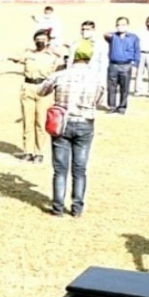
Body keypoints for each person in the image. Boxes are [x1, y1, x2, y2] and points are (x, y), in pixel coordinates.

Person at [41, 41, 104, 218]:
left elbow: (41, 91)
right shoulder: (96, 77)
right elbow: (99, 100)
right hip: (85, 122)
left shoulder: (61, 75)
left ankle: (58, 207)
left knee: (60, 169)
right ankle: (77, 208)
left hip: (62, 123)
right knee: (80, 169)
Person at [8, 29, 64, 164]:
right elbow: (15, 57)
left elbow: (64, 64)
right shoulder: (28, 54)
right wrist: (22, 52)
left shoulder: (52, 56)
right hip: (28, 87)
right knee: (28, 121)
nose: (40, 41)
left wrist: (57, 52)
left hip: (44, 89)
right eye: (38, 39)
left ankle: (39, 152)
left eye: (43, 39)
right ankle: (28, 151)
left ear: (48, 41)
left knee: (41, 122)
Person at [104, 17, 139, 114]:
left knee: (125, 87)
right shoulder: (112, 37)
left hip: (126, 65)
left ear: (127, 26)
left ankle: (122, 107)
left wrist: (135, 65)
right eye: (118, 24)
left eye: (123, 25)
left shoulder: (133, 37)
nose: (121, 27)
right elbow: (105, 34)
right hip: (113, 65)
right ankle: (111, 106)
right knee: (111, 87)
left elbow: (137, 52)